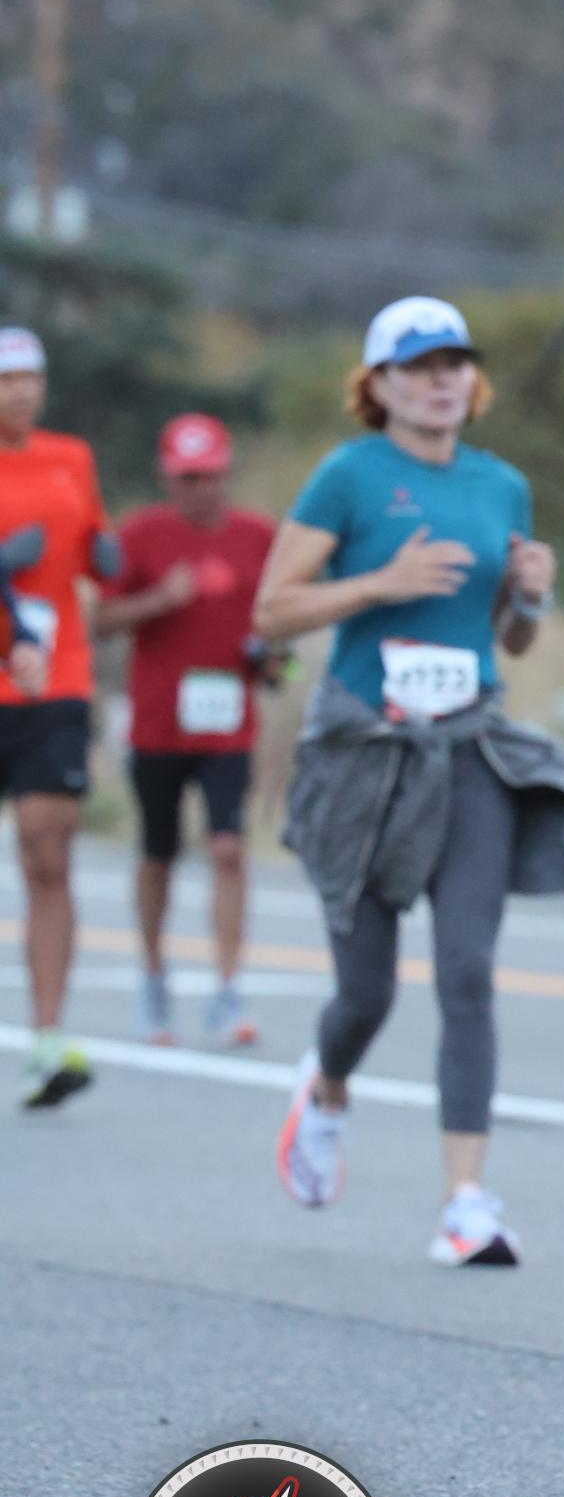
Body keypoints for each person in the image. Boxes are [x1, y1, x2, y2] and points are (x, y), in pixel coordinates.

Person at [253, 296, 564, 1267]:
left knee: (468, 973)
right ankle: (325, 1091)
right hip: (365, 755)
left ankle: (465, 1204)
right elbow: (273, 611)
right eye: (420, 366)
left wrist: (531, 598)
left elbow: (509, 638)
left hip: (469, 745)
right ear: (381, 384)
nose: (442, 381)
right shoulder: (348, 476)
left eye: (455, 364)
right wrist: (377, 585)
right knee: (365, 995)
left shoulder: (501, 486)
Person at [95, 414, 279, 1047]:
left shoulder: (258, 536)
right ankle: (153, 980)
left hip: (229, 726)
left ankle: (227, 990)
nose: (200, 489)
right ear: (166, 477)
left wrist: (274, 658)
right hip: (158, 726)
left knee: (229, 849)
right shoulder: (140, 534)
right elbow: (99, 620)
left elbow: (280, 620)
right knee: (159, 854)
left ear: (227, 473)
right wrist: (159, 600)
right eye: (187, 478)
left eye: (209, 476)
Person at [0, 325, 119, 1109]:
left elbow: (93, 550)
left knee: (48, 854)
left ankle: (48, 1038)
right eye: (7, 380)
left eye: (31, 378)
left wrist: (107, 556)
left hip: (53, 680)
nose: (21, 392)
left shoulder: (70, 457)